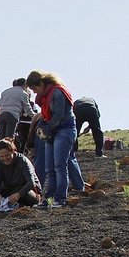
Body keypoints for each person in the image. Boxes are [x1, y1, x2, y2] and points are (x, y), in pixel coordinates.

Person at [27, 70, 81, 209]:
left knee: (59, 166)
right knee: (49, 168)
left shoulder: (57, 92)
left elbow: (58, 115)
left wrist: (46, 129)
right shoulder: (45, 96)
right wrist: (43, 128)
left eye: (34, 88)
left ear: (41, 83)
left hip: (64, 130)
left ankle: (60, 198)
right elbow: (46, 116)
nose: (34, 92)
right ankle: (49, 198)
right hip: (52, 132)